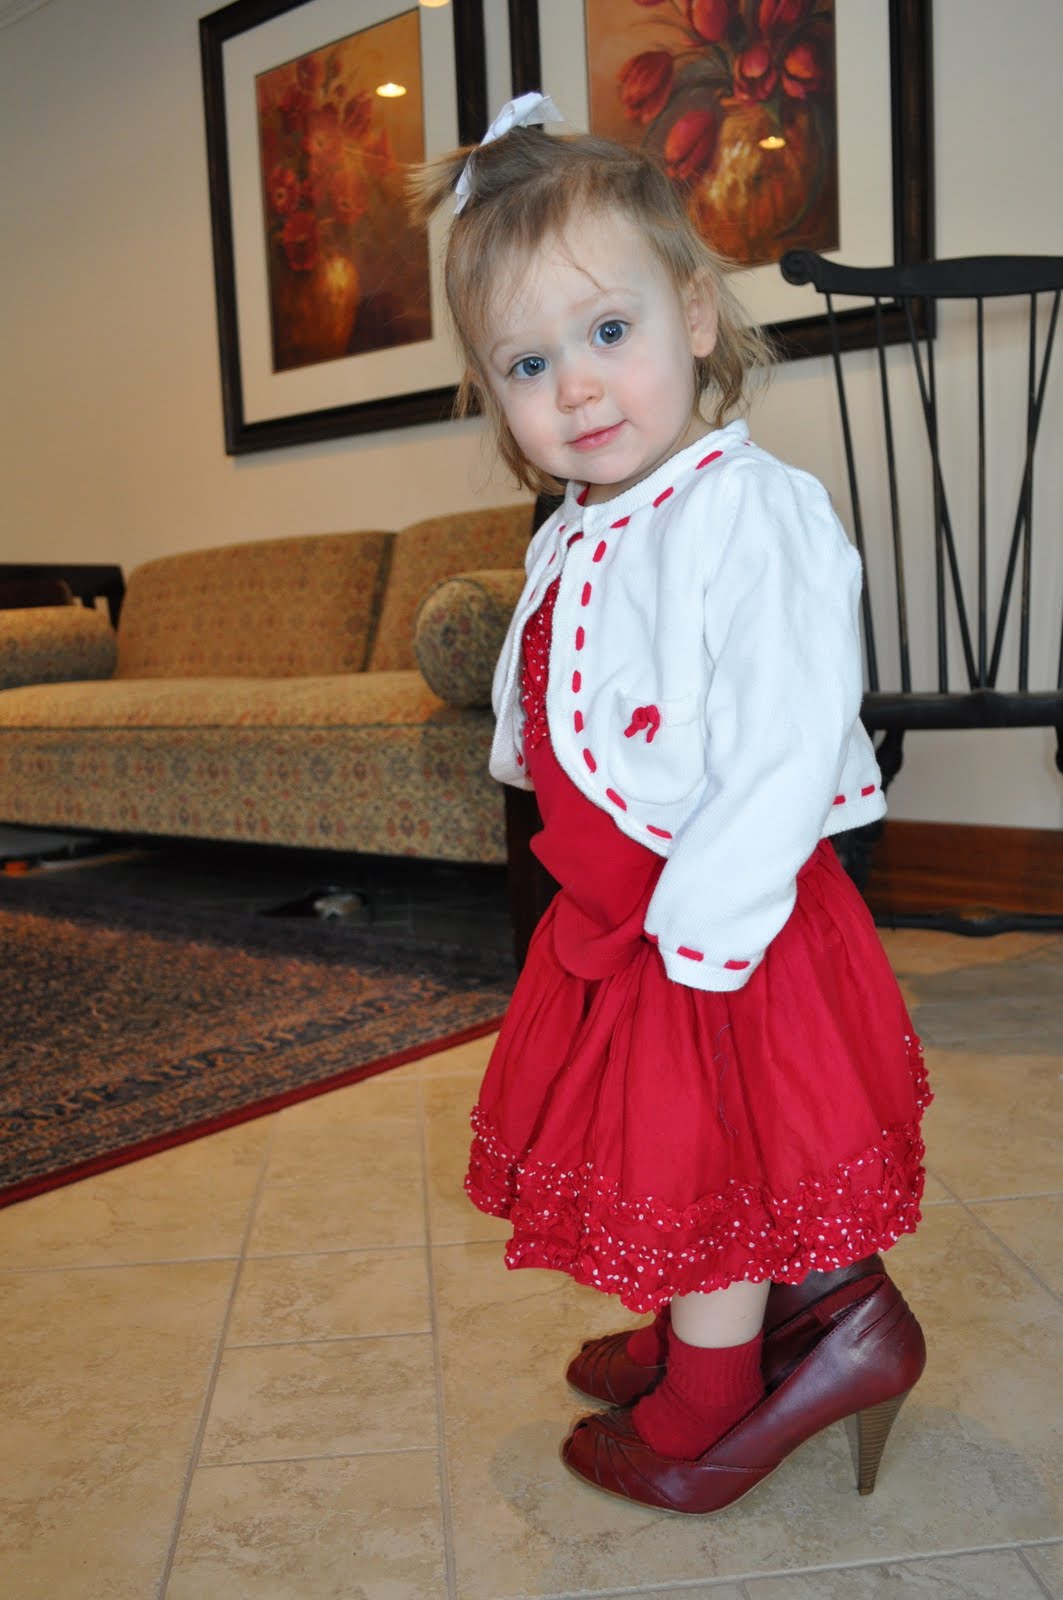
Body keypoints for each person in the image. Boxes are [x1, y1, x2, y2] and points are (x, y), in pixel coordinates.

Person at [413, 93, 931, 1515]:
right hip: (623, 910)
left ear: (695, 315)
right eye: (529, 363)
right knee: (664, 1155)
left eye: (608, 332)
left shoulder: (747, 509)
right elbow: (552, 689)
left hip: (722, 921)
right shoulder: (582, 524)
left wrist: (706, 937)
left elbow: (784, 741)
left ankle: (713, 1403)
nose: (576, 390)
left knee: (713, 1165)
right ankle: (719, 1323)